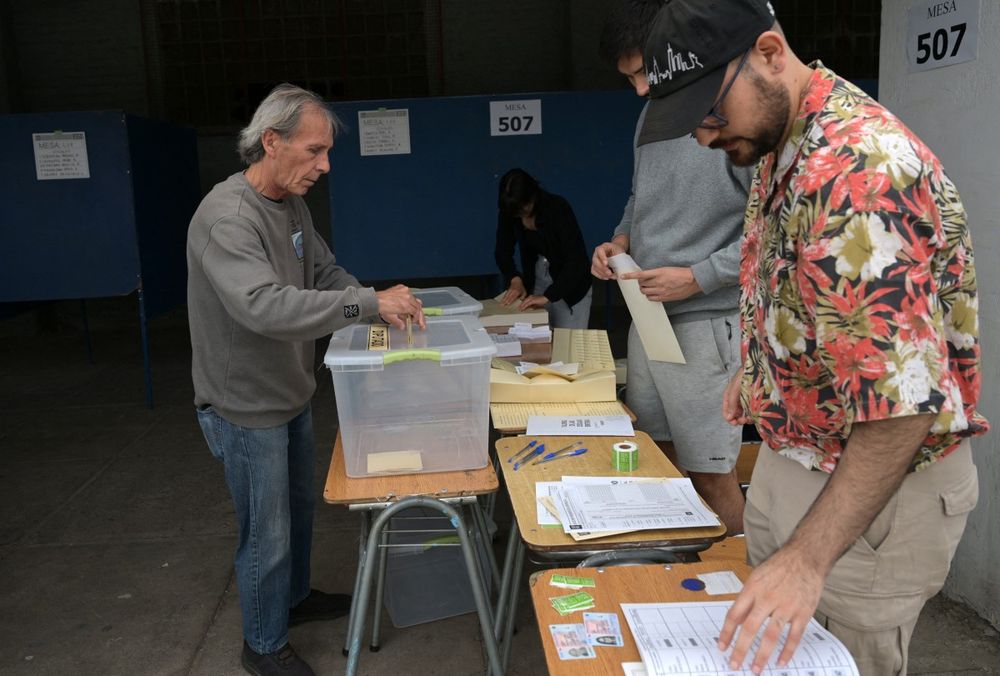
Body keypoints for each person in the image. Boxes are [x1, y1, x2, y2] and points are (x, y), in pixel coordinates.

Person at [638, 1, 988, 674]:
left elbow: (902, 408)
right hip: (796, 457)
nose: (705, 138)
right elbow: (807, 286)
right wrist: (763, 364)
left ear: (770, 52)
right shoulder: (786, 137)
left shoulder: (859, 175)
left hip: (869, 497)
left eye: (710, 114)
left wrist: (806, 560)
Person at [187, 83, 425, 676]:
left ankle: (292, 600)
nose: (324, 165)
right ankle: (263, 645)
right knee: (265, 532)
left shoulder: (290, 204)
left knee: (296, 513)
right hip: (244, 404)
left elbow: (323, 270)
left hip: (290, 391)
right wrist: (366, 305)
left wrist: (374, 299)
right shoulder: (225, 217)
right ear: (271, 141)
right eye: (314, 151)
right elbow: (265, 307)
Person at [591, 0, 753, 534]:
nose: (639, 89)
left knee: (710, 474)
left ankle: (744, 594)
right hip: (649, 319)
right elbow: (642, 198)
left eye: (642, 71)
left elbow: (773, 235)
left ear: (674, 51)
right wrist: (620, 241)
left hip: (707, 323)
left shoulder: (741, 113)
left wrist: (698, 276)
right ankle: (676, 594)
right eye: (629, 78)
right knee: (654, 462)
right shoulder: (650, 115)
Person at [494, 168, 593, 329]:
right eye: (516, 215)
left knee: (568, 343)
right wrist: (514, 279)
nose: (520, 217)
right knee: (538, 337)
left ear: (532, 196)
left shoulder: (557, 208)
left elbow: (577, 261)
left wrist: (549, 296)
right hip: (537, 277)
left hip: (571, 284)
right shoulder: (509, 211)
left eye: (523, 210)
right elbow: (502, 251)